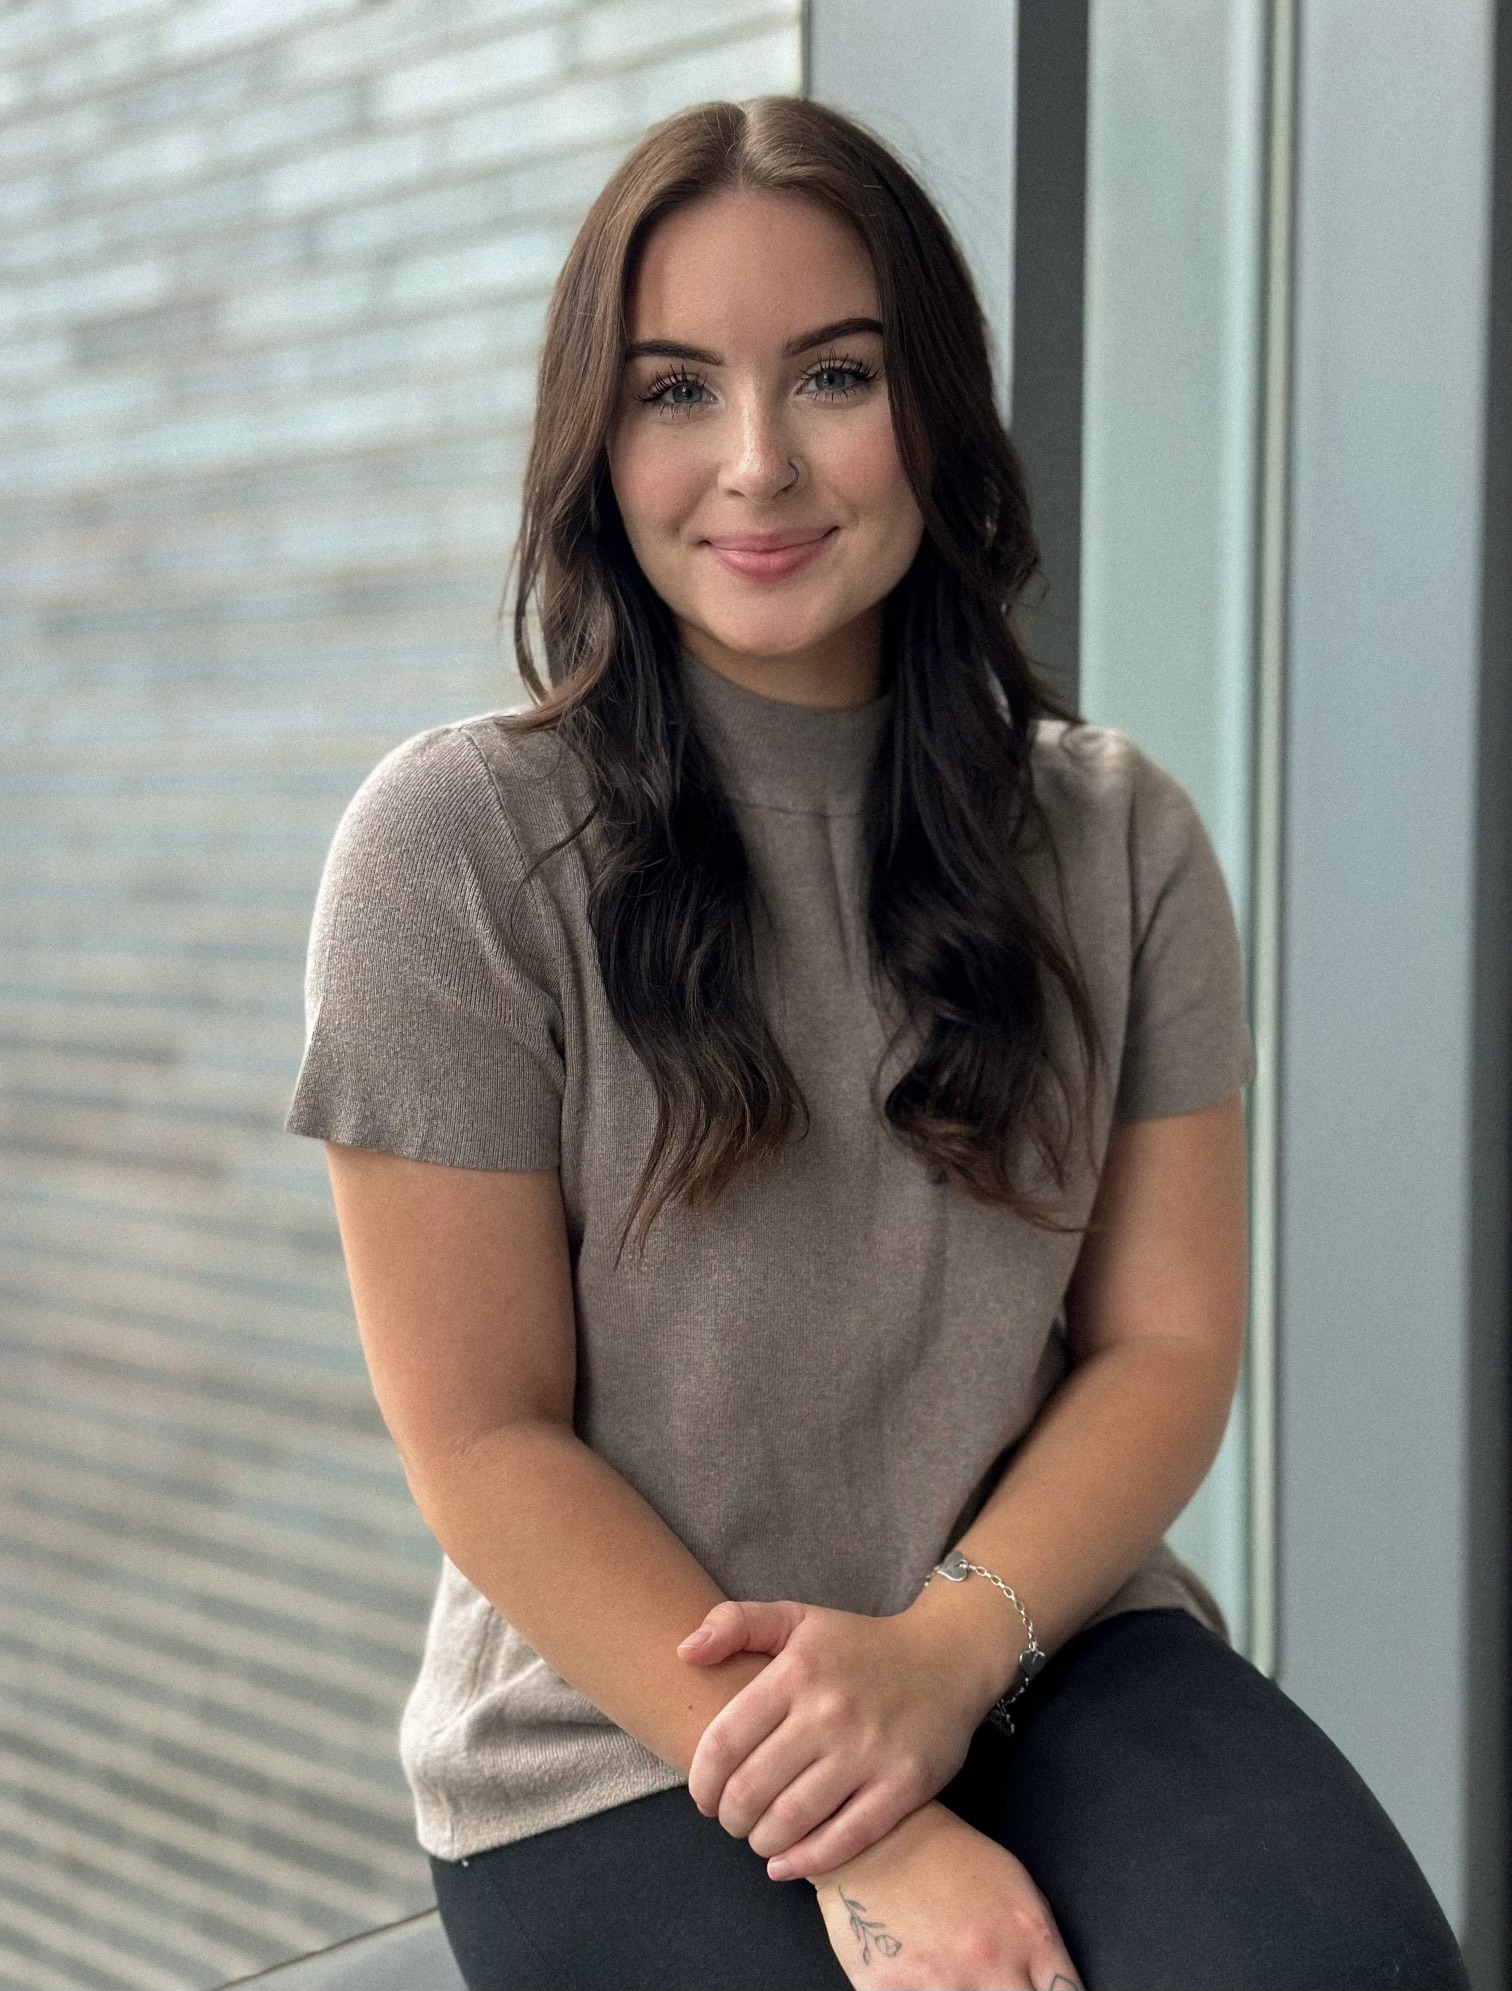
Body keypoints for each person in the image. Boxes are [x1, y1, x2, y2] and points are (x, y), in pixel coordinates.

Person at [287, 96, 1468, 1991]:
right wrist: (874, 1822)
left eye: (833, 375)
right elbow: (484, 1434)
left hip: (1038, 1641)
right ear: (597, 443)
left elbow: (1163, 1345)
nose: (756, 465)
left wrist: (940, 1662)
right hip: (622, 1723)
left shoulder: (1118, 835)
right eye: (677, 391)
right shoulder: (452, 852)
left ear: (937, 402)